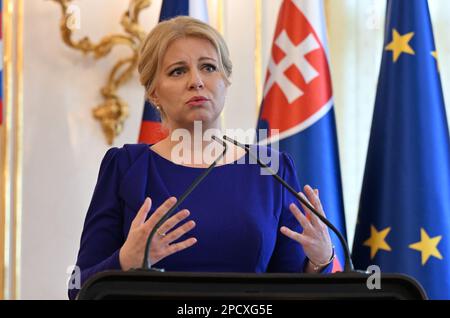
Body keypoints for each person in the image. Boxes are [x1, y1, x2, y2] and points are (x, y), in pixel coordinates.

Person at [68, 16, 335, 300]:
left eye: (208, 67)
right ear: (153, 92)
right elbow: (77, 289)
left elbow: (293, 288)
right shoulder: (126, 167)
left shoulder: (270, 168)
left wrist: (319, 262)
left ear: (225, 80)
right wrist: (124, 260)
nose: (196, 81)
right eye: (177, 71)